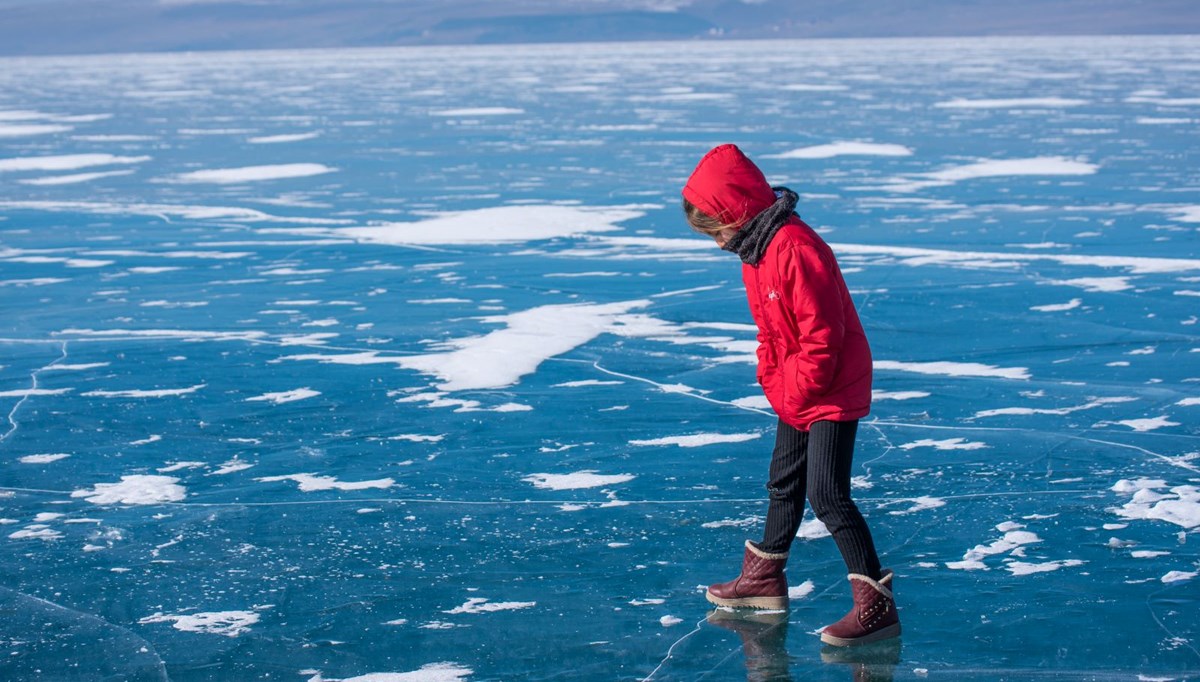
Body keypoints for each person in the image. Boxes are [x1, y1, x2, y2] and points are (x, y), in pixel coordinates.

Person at [681, 143, 900, 647]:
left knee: (827, 493)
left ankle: (877, 608)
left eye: (717, 230)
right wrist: (774, 383)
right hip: (797, 387)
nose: (717, 244)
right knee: (784, 482)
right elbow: (768, 334)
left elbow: (825, 337)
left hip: (831, 387)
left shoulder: (796, 248)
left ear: (738, 210)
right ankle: (761, 579)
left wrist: (796, 391)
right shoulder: (755, 252)